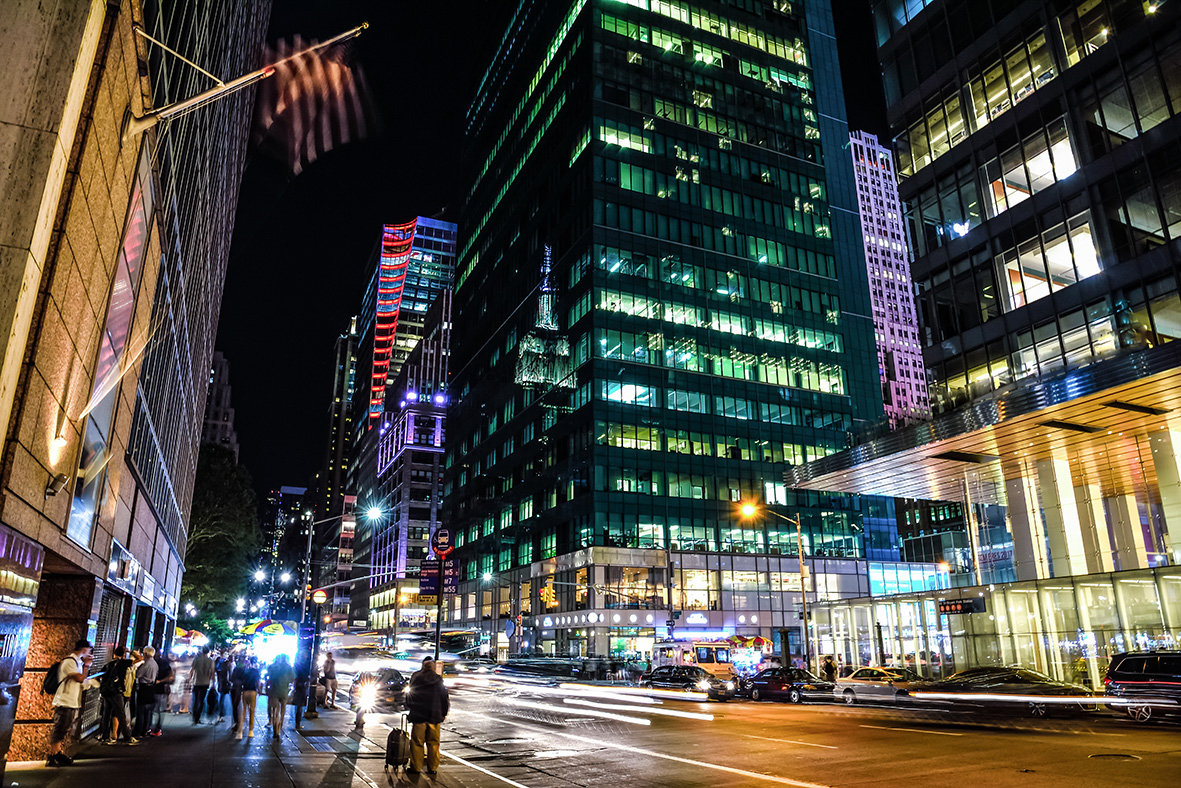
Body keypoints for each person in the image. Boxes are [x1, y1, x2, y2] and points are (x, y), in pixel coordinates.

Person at [46, 639, 93, 766]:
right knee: (60, 727)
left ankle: (57, 753)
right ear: (84, 649)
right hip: (65, 701)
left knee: (64, 728)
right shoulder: (69, 662)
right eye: (89, 649)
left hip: (71, 701)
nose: (89, 652)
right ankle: (53, 755)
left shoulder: (77, 662)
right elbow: (79, 678)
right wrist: (87, 665)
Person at [404, 658, 449, 775]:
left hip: (419, 716)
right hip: (434, 716)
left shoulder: (416, 677)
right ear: (433, 668)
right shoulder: (438, 679)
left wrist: (410, 707)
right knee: (433, 743)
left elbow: (410, 695)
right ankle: (432, 768)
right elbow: (444, 698)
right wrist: (443, 713)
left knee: (417, 742)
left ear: (423, 667)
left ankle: (416, 767)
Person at [98, 646, 137, 745]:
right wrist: (131, 651)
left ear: (114, 654)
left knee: (107, 714)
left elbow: (99, 676)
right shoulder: (124, 663)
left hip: (107, 692)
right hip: (117, 691)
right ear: (124, 654)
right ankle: (127, 737)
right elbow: (140, 659)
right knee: (121, 714)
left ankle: (105, 736)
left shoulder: (108, 665)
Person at [266, 654, 295, 738]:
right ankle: (279, 727)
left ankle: (275, 725)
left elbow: (269, 675)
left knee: (275, 709)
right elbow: (292, 679)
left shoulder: (273, 667)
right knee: (283, 709)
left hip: (274, 690)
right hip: (284, 691)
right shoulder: (289, 667)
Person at [132, 646, 158, 739]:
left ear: (146, 654)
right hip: (151, 687)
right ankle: (146, 729)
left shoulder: (147, 664)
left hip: (144, 688)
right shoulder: (154, 663)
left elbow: (138, 675)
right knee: (148, 711)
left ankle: (138, 731)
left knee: (141, 711)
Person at [151, 651, 174, 736]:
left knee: (155, 709)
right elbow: (171, 677)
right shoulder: (165, 664)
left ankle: (154, 727)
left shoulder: (154, 663)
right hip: (161, 689)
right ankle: (157, 727)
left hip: (155, 688)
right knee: (159, 710)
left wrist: (160, 681)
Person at [238, 657, 262, 739]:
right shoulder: (256, 671)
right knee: (252, 711)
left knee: (243, 712)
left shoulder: (245, 671)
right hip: (253, 692)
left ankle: (240, 731)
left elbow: (242, 681)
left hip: (245, 691)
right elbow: (258, 682)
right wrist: (260, 691)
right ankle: (250, 731)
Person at [190, 647, 215, 724]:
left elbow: (192, 670)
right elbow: (212, 672)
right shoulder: (210, 661)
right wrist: (212, 682)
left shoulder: (196, 659)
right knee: (201, 700)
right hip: (205, 682)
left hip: (196, 682)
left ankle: (194, 716)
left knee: (196, 699)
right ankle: (198, 717)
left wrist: (190, 679)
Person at [215, 652, 233, 723]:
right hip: (224, 683)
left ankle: (219, 715)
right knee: (222, 700)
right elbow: (229, 675)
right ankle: (220, 715)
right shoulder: (226, 664)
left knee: (220, 699)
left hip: (219, 682)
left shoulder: (218, 662)